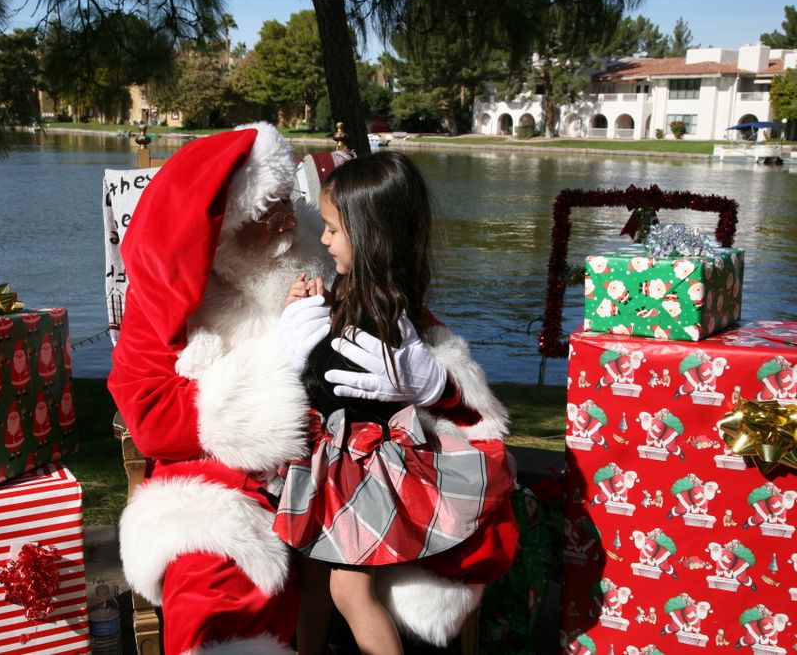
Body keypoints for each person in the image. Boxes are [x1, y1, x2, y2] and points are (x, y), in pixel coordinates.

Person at [109, 123, 349, 654]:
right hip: (228, 479)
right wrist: (277, 368)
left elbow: (401, 315)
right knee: (214, 583)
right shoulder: (167, 300)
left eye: (285, 204)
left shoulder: (324, 245)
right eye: (265, 220)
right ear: (219, 236)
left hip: (345, 452)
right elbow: (149, 417)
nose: (286, 223)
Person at [272, 151, 519, 653]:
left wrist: (301, 342)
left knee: (348, 588)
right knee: (317, 576)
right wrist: (317, 305)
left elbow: (337, 378)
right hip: (342, 464)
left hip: (361, 469)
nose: (323, 239)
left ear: (368, 234)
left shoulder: (383, 309)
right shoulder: (370, 291)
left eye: (333, 229)